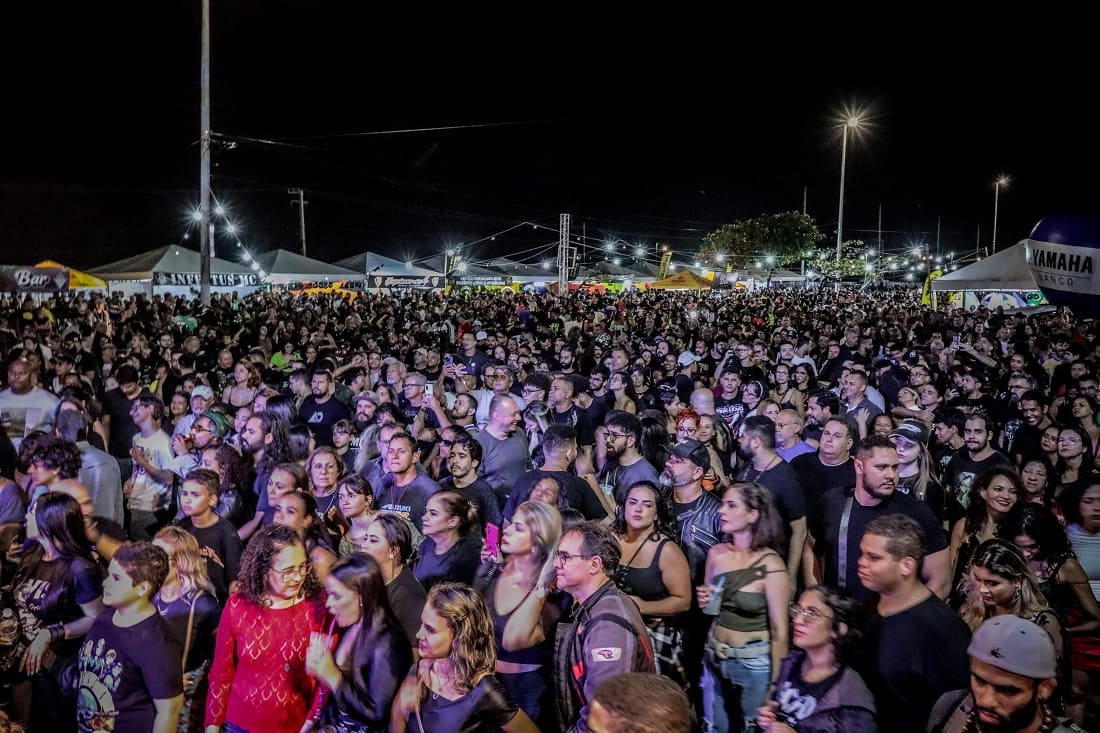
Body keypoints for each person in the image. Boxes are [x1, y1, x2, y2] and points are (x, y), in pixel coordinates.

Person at [205, 524, 330, 733]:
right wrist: (212, 726)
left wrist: (311, 722)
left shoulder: (318, 607)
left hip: (296, 726)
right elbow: (221, 672)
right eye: (288, 571)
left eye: (302, 567)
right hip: (240, 724)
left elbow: (324, 682)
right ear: (263, 569)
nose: (298, 577)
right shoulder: (238, 605)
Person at [858, 513, 971, 733]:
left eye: (874, 557)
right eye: (862, 553)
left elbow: (958, 709)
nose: (861, 562)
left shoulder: (944, 631)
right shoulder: (867, 610)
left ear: (906, 565)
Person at [696, 481, 791, 733]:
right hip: (715, 654)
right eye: (723, 505)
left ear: (753, 514)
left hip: (752, 664)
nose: (721, 511)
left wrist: (775, 686)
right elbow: (711, 610)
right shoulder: (716, 553)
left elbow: (779, 631)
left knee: (749, 728)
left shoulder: (771, 565)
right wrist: (705, 601)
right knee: (714, 727)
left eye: (731, 505)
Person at [808, 435, 951, 601]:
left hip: (891, 620)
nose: (891, 475)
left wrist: (907, 619)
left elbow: (941, 581)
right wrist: (816, 593)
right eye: (881, 467)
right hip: (841, 617)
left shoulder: (916, 512)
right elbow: (811, 546)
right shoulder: (832, 502)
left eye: (895, 467)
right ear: (859, 467)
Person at [10, 492, 105, 731]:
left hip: (56, 669)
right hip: (26, 666)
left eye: (32, 512)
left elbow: (95, 618)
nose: (26, 516)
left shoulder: (80, 569)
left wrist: (50, 634)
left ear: (48, 522)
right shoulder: (32, 553)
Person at [390, 582, 539, 732]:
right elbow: (396, 726)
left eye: (430, 630)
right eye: (422, 624)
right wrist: (400, 708)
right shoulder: (418, 671)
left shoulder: (483, 690)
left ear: (459, 637)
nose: (419, 634)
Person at [554, 520, 655, 732]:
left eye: (565, 557)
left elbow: (606, 714)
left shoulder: (608, 626)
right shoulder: (599, 605)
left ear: (595, 564)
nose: (556, 564)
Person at [76, 541, 183, 733]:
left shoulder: (158, 644)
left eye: (116, 578)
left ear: (142, 588)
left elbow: (169, 711)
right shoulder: (105, 618)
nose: (105, 583)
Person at [475, 500, 562, 725]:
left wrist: (542, 583)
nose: (508, 530)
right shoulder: (494, 573)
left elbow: (513, 639)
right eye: (512, 524)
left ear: (537, 543)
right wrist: (487, 568)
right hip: (487, 684)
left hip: (526, 693)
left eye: (519, 528)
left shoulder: (553, 595)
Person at [304, 553, 412, 733]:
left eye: (336, 596)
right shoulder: (350, 624)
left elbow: (377, 715)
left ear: (362, 597)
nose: (329, 603)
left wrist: (333, 676)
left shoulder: (389, 642)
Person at [927, 615, 1085, 733]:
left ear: (1045, 688)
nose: (986, 701)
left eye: (1009, 691)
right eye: (980, 681)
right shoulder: (950, 709)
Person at [755, 586, 876, 733]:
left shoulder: (851, 697)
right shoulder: (792, 662)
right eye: (798, 610)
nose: (798, 620)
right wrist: (769, 717)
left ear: (839, 628)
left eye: (812, 613)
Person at [610, 480, 691, 681]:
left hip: (654, 637)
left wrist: (642, 606)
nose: (638, 509)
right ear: (623, 507)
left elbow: (683, 601)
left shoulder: (667, 551)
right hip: (614, 632)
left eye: (647, 505)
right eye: (633, 502)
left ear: (656, 513)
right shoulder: (610, 540)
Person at [152, 526, 222, 733]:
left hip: (183, 701)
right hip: (152, 690)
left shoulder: (203, 605)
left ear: (181, 562)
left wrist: (196, 678)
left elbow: (221, 658)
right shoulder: (147, 594)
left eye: (160, 556)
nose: (151, 561)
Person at [950, 468, 1023, 605]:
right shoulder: (964, 525)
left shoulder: (1018, 531)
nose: (1006, 496)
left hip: (1000, 605)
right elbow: (952, 566)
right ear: (983, 492)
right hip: (962, 603)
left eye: (1013, 492)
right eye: (998, 489)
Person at [174, 468, 242, 601]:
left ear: (212, 500)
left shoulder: (226, 532)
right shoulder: (182, 527)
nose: (187, 500)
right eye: (185, 493)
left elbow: (235, 579)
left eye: (195, 495)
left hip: (216, 604)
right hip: (186, 599)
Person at [361, 511, 426, 646]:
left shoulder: (408, 595)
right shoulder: (371, 579)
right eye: (365, 538)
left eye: (373, 540)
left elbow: (413, 653)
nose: (364, 545)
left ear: (393, 550)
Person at [413, 490, 482, 591]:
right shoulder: (426, 544)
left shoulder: (465, 558)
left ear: (453, 521)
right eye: (426, 512)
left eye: (433, 514)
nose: (424, 518)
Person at [335, 473, 376, 555]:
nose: (344, 502)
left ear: (368, 500)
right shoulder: (346, 543)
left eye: (351, 496)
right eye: (341, 497)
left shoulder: (387, 520)